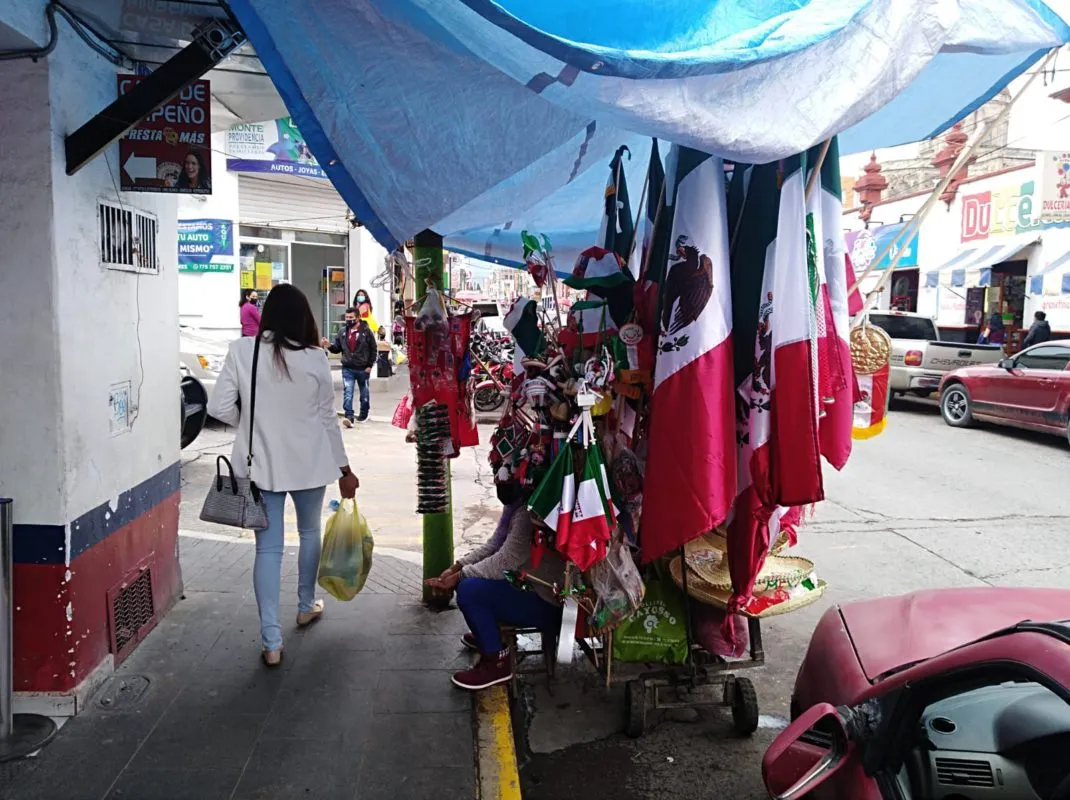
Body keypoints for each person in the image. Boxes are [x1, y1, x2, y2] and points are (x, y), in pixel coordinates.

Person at [208, 284, 359, 667]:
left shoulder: (242, 351)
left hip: (260, 467)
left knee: (268, 549)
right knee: (310, 532)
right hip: (310, 464)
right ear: (304, 318)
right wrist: (344, 468)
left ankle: (271, 642)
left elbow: (219, 405)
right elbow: (327, 418)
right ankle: (306, 605)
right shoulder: (316, 358)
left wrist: (251, 424)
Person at [426, 481, 566, 691]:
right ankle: (487, 632)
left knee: (469, 590)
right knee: (471, 580)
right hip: (532, 587)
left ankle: (497, 662)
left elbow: (504, 561)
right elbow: (495, 545)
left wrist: (459, 576)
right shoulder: (519, 506)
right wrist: (457, 566)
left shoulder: (530, 512)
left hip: (548, 602)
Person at [322, 307, 376, 426]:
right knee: (348, 392)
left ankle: (363, 414)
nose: (349, 320)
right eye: (347, 317)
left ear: (358, 318)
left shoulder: (367, 332)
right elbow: (337, 349)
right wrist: (329, 345)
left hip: (363, 368)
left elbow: (373, 349)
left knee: (364, 393)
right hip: (348, 368)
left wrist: (369, 365)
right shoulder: (342, 332)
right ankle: (349, 416)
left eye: (351, 317)